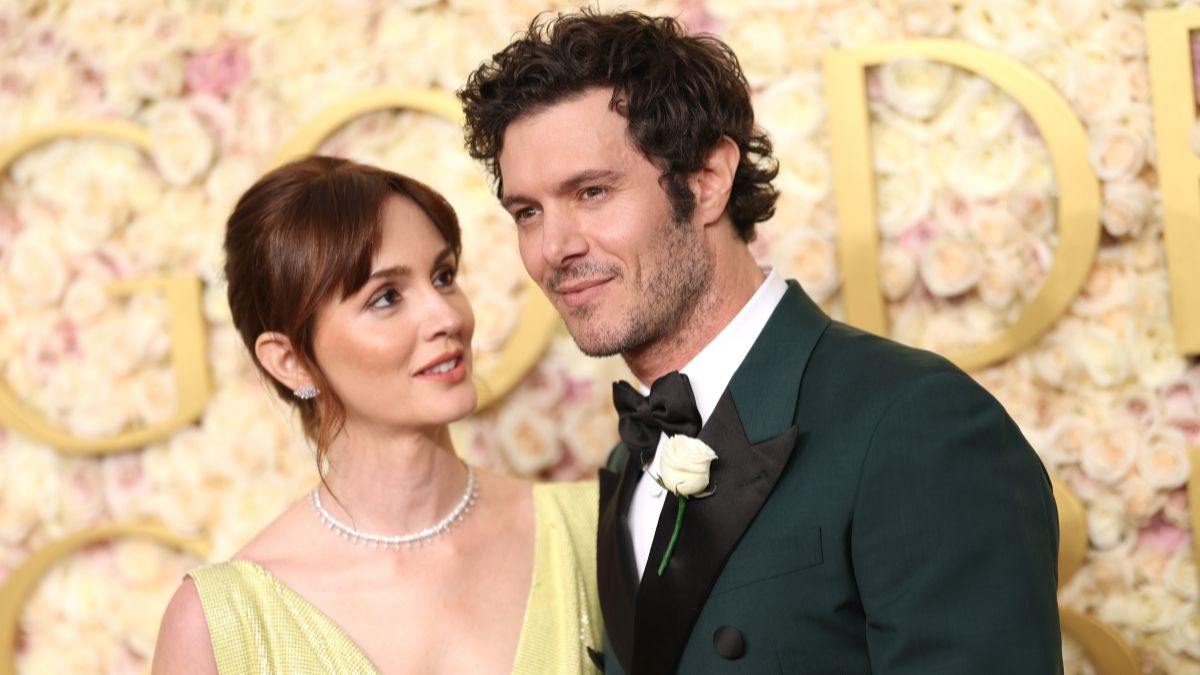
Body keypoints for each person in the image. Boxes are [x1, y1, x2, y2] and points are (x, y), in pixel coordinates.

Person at [458, 10, 1062, 675]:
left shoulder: (915, 422)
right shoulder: (624, 464)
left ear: (708, 179)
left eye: (593, 191)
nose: (554, 248)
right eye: (528, 212)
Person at [151, 155, 601, 674]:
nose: (446, 316)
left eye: (443, 276)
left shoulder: (587, 531)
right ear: (290, 361)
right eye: (387, 297)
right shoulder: (217, 627)